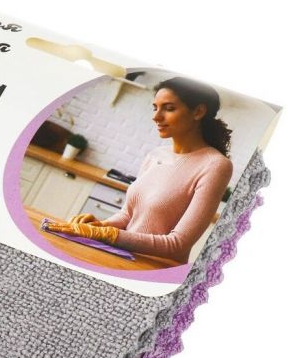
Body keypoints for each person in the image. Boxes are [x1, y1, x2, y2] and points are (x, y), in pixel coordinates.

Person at [46, 76, 234, 263]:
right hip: (122, 257)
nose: (156, 117)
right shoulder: (155, 155)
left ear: (198, 112)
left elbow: (177, 243)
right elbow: (127, 215)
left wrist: (106, 234)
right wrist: (98, 226)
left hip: (156, 268)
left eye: (169, 108)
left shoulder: (215, 165)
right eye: (155, 108)